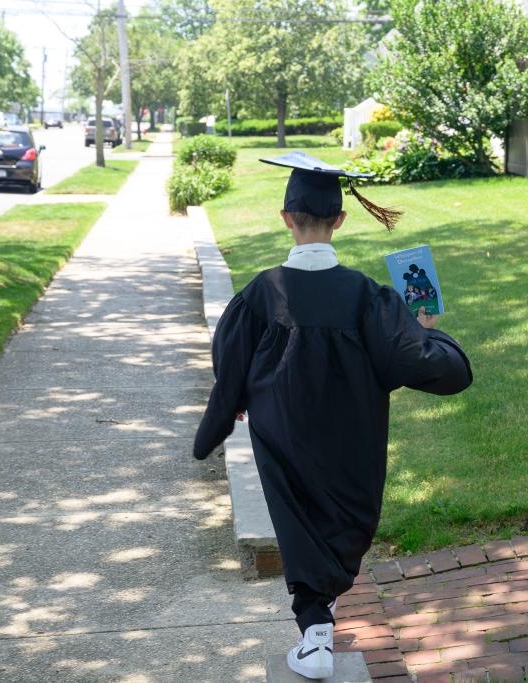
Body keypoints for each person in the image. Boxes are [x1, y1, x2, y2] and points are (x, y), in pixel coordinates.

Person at [193, 151, 472, 680]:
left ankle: (316, 635)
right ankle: (319, 632)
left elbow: (227, 364)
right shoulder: (369, 296)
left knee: (297, 519)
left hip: (282, 434)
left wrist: (217, 422)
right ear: (340, 220)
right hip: (351, 439)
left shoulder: (261, 293)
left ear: (285, 220)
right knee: (341, 525)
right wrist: (427, 330)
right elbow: (421, 363)